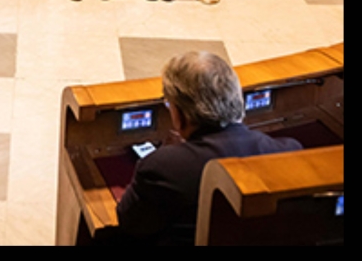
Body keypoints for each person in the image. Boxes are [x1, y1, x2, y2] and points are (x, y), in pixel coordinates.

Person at [117, 51, 301, 245]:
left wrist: (169, 154)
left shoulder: (162, 166)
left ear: (180, 115)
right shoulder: (289, 152)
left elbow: (129, 222)